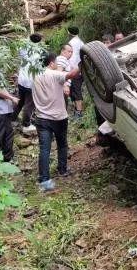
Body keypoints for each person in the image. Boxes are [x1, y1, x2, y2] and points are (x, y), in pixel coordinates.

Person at [32, 52, 80, 193]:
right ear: (52, 63)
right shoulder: (54, 74)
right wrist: (83, 61)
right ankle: (62, 169)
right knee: (62, 144)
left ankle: (44, 179)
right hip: (58, 117)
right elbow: (71, 75)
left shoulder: (34, 75)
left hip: (41, 118)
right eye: (56, 63)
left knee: (44, 149)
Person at [12, 33, 43, 133]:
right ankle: (26, 124)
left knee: (20, 101)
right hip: (31, 82)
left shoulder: (23, 48)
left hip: (22, 80)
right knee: (29, 104)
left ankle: (11, 118)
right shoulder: (39, 53)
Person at [67, 26, 85, 119]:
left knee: (76, 90)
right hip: (80, 69)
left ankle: (79, 112)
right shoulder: (81, 42)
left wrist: (70, 70)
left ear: (69, 33)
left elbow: (73, 57)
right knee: (74, 90)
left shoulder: (71, 43)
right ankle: (77, 110)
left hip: (74, 70)